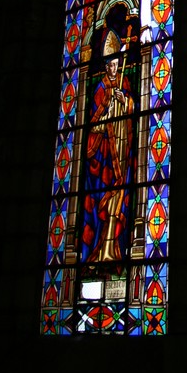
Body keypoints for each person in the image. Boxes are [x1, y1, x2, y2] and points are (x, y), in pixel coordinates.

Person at [82, 29, 136, 264]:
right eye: (110, 65)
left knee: (119, 197)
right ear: (105, 66)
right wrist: (106, 104)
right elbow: (94, 124)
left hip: (121, 150)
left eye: (116, 64)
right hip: (104, 154)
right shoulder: (100, 89)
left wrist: (125, 102)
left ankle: (113, 249)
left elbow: (133, 110)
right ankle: (98, 250)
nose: (114, 69)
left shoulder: (124, 82)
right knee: (102, 200)